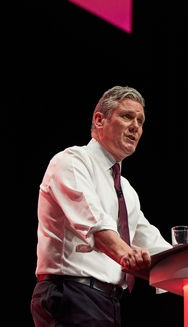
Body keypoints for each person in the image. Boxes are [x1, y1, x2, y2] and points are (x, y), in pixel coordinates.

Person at [31, 86, 172, 327]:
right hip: (72, 294)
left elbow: (152, 243)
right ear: (99, 120)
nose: (136, 126)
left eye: (140, 120)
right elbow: (96, 224)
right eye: (127, 116)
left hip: (108, 301)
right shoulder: (72, 161)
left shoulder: (126, 189)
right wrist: (128, 255)